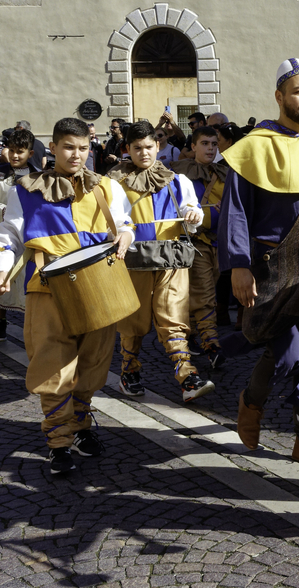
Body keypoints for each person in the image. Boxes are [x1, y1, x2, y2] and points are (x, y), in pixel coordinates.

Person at [0, 117, 135, 475]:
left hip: (98, 286)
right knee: (53, 365)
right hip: (48, 287)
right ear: (52, 148)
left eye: (83, 148)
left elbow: (124, 224)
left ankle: (82, 425)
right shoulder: (25, 189)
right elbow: (9, 234)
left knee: (92, 362)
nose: (77, 155)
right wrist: (1, 268)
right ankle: (58, 441)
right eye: (69, 147)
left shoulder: (105, 187)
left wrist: (127, 237)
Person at [218, 58, 299, 465]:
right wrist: (238, 264)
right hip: (274, 268)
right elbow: (235, 211)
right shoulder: (252, 146)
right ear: (280, 96)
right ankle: (251, 401)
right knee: (288, 354)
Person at [109, 120, 212, 403]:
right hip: (132, 261)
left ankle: (187, 375)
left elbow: (193, 212)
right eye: (137, 148)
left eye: (149, 147)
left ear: (158, 146)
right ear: (127, 149)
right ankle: (129, 372)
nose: (144, 153)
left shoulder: (179, 180)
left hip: (172, 258)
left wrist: (194, 216)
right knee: (133, 321)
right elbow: (112, 222)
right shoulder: (113, 184)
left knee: (174, 317)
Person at [169, 126, 229, 366]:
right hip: (195, 242)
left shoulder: (224, 172)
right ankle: (211, 344)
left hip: (218, 242)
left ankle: (193, 334)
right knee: (204, 294)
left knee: (203, 292)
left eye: (214, 144)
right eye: (205, 143)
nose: (210, 148)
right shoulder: (179, 174)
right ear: (193, 146)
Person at [0, 127, 35, 341]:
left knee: (26, 283)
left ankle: (31, 324)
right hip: (2, 234)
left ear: (30, 153)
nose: (15, 155)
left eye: (20, 151)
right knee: (3, 278)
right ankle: (0, 318)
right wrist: (4, 212)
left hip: (27, 238)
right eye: (11, 150)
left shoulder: (37, 175)